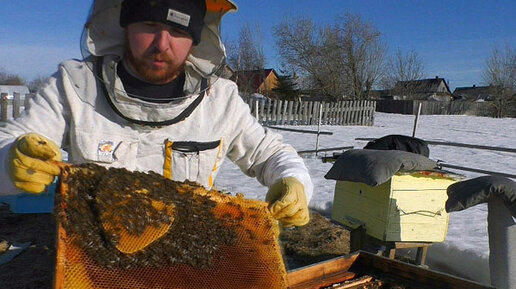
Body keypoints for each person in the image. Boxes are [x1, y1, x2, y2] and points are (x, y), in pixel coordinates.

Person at [0, 0, 312, 227]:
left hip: (187, 251)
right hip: (92, 249)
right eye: (150, 26)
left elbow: (270, 154)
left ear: (195, 39)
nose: (161, 44)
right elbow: (12, 143)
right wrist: (11, 160)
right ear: (126, 26)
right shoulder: (75, 85)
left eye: (177, 30)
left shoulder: (221, 99)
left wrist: (293, 180)